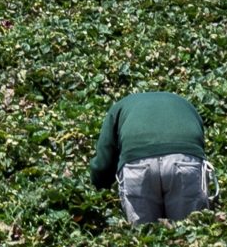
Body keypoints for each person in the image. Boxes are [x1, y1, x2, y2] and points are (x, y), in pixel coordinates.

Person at [89, 91, 213, 224]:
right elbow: (199, 145)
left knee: (143, 235)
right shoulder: (186, 105)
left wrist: (99, 187)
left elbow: (103, 160)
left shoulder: (119, 107)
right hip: (185, 161)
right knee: (189, 231)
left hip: (137, 164)